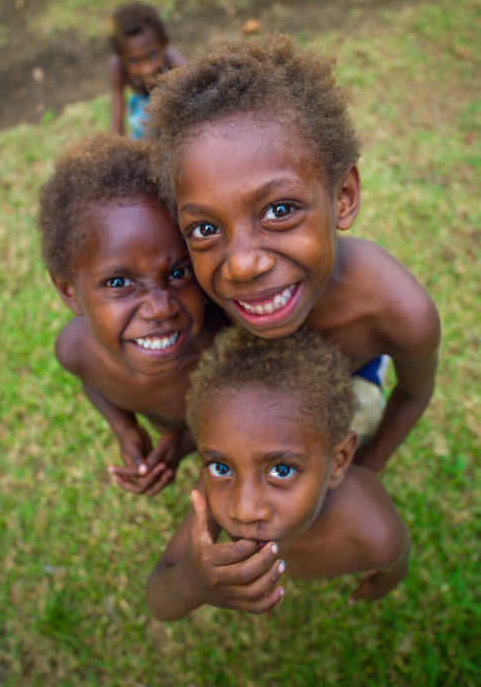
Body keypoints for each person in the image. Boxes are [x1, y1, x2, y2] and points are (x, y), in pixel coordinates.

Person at [146, 32, 441, 472]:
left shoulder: (400, 313)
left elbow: (414, 392)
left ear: (342, 196)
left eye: (279, 210)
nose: (244, 265)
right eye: (205, 228)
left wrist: (371, 467)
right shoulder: (198, 299)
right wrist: (183, 437)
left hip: (348, 381)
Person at [146, 327, 411, 620]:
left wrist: (381, 586)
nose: (244, 510)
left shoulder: (377, 533)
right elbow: (159, 593)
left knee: (366, 409)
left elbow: (395, 565)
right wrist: (186, 584)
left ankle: (371, 369)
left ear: (339, 461)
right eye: (221, 467)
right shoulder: (215, 488)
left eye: (281, 470)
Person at [37, 133, 225, 495]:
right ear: (68, 291)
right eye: (120, 281)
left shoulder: (227, 345)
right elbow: (93, 384)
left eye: (178, 272)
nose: (160, 307)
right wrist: (124, 427)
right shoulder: (74, 350)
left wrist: (187, 442)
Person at [108, 2, 185, 138]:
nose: (145, 69)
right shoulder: (118, 67)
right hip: (142, 128)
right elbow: (116, 123)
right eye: (133, 61)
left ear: (164, 44)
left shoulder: (175, 63)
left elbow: (198, 100)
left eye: (151, 55)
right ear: (121, 57)